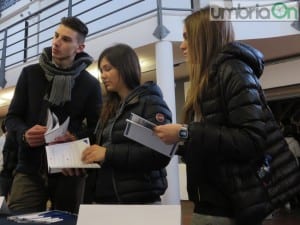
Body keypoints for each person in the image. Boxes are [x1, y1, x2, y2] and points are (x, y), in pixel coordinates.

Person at [153, 7, 269, 225]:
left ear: (204, 37)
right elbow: (213, 143)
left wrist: (186, 132)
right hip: (211, 204)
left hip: (229, 208)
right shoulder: (207, 81)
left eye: (187, 37)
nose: (182, 45)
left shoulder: (235, 71)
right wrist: (177, 141)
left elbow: (251, 139)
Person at [5, 16, 102, 213]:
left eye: (66, 39)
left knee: (66, 220)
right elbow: (11, 119)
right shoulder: (30, 74)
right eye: (56, 36)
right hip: (29, 168)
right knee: (18, 219)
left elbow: (98, 130)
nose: (56, 42)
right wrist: (25, 133)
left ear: (80, 47)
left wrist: (75, 138)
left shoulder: (90, 84)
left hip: (69, 170)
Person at [80, 43, 172, 204]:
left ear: (125, 67)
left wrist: (108, 153)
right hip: (105, 198)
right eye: (101, 71)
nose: (103, 75)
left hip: (138, 201)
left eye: (108, 69)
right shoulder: (110, 108)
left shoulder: (150, 103)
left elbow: (159, 154)